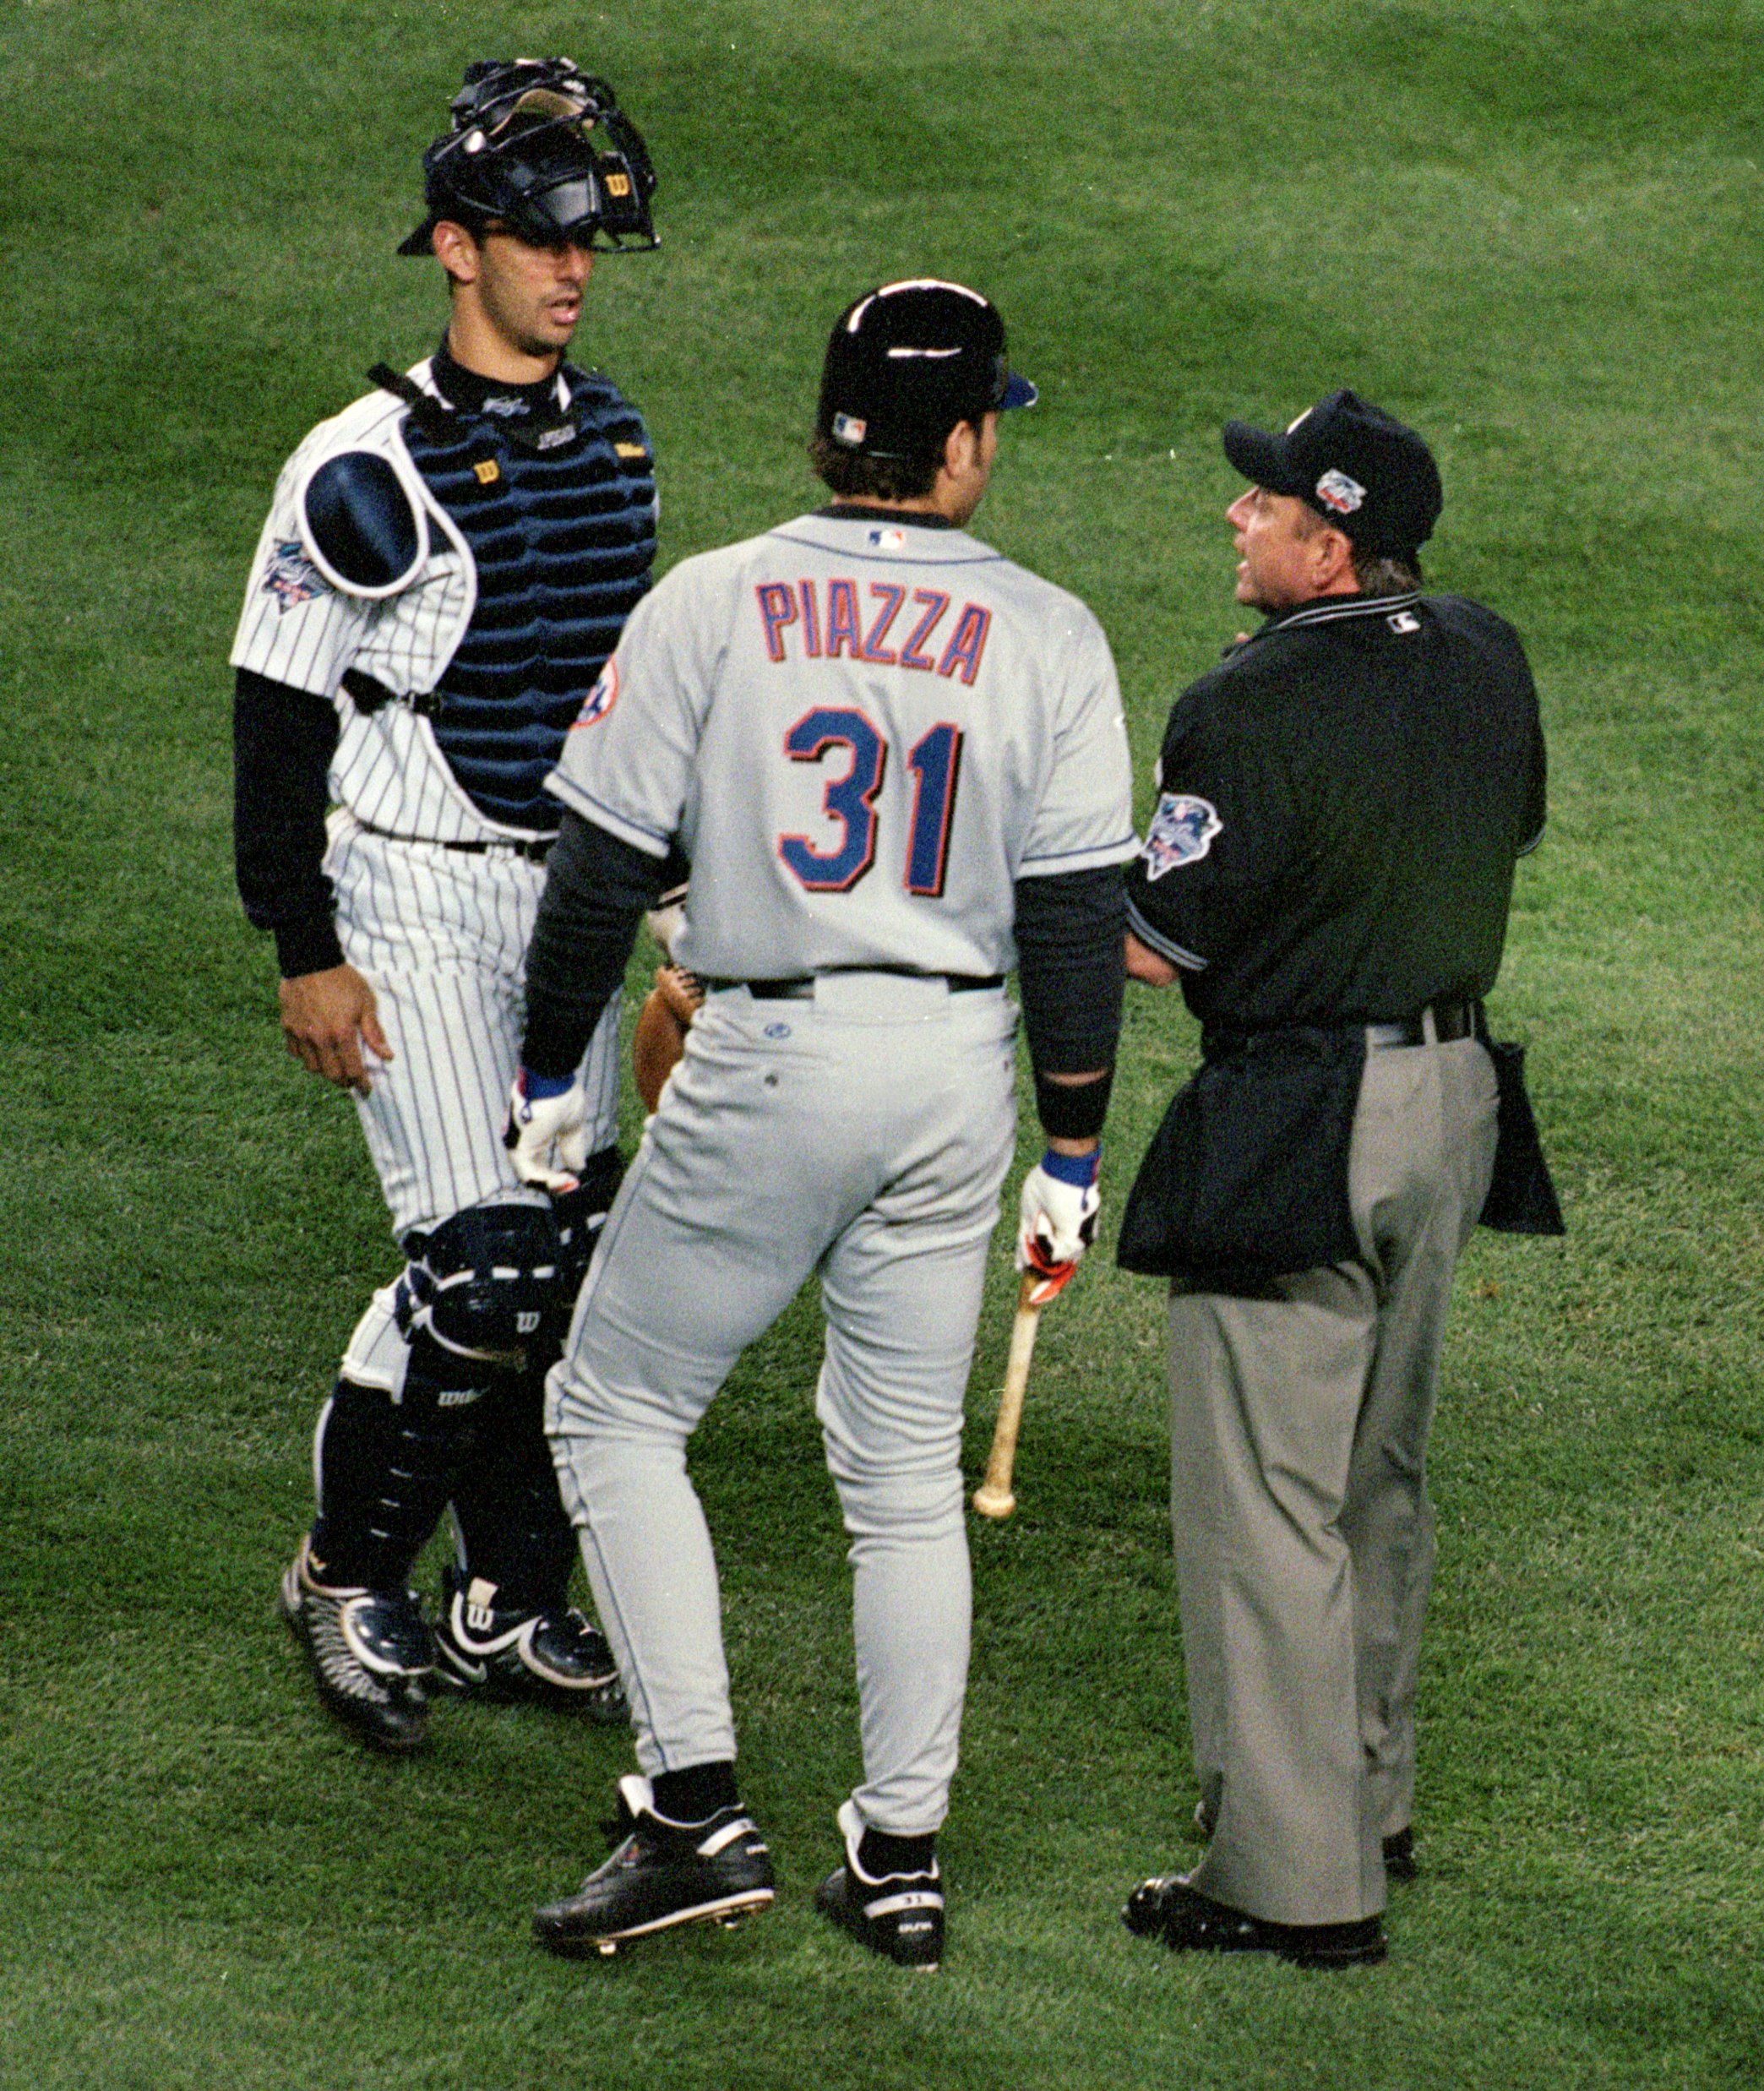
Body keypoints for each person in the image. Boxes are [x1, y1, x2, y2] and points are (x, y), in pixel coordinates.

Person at [509, 278, 1137, 1968]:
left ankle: (694, 1814)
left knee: (615, 1402)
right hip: (952, 1077)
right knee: (902, 1472)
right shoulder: (1052, 630)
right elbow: (1078, 927)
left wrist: (547, 1084)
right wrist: (1068, 1158)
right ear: (958, 443)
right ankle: (901, 1850)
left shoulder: (712, 601)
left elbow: (595, 875)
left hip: (768, 1055)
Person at [231, 57, 662, 1753]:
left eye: (586, 244)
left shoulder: (615, 440)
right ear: (452, 247)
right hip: (406, 895)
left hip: (570, 911)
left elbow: (625, 708)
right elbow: (274, 719)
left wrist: (679, 926)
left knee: (557, 1276)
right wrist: (305, 946)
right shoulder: (357, 471)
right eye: (539, 238)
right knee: (482, 1270)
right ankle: (345, 1570)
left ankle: (505, 1592)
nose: (569, 269)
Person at [1112, 391, 1555, 1968]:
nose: (1240, 516)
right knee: (1378, 1478)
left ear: (1335, 541)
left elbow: (1158, 956)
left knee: (1268, 1504)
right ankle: (1371, 1803)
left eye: (1267, 504)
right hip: (1459, 1101)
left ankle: (1294, 1888)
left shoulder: (1241, 707)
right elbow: (1512, 821)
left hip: (1306, 1115)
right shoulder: (1486, 649)